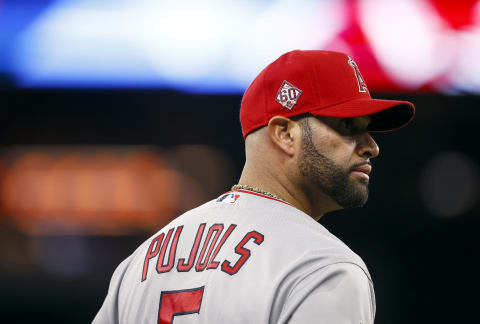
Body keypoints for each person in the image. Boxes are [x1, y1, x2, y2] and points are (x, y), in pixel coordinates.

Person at [92, 50, 415, 324]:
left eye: (367, 130)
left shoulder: (140, 262)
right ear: (285, 134)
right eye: (347, 126)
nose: (371, 146)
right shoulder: (322, 265)